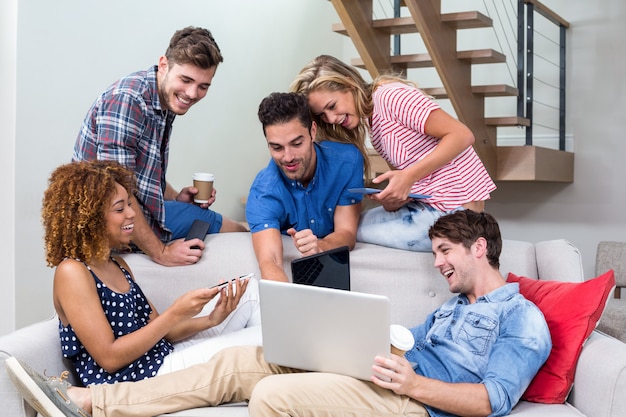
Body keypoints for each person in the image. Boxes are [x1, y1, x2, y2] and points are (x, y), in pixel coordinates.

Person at [7, 210, 552, 417]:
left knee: (270, 397)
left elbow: (490, 401)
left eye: (445, 254)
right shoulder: (454, 308)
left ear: (480, 248)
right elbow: (411, 340)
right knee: (246, 361)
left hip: (417, 402)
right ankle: (87, 402)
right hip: (391, 370)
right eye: (434, 253)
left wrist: (411, 384)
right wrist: (352, 338)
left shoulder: (522, 318)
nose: (437, 265)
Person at [37, 160, 260, 388]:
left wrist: (211, 320)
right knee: (259, 342)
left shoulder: (119, 265)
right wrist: (174, 313)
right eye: (120, 208)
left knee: (252, 292)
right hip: (138, 380)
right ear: (91, 218)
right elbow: (109, 358)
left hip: (163, 358)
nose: (132, 214)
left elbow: (162, 332)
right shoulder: (73, 272)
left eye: (130, 205)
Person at [73, 26, 247, 268]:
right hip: (106, 226)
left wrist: (176, 197)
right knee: (231, 229)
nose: (192, 93)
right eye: (186, 80)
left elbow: (142, 174)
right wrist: (161, 253)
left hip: (135, 211)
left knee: (236, 229)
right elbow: (116, 192)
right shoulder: (128, 101)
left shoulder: (163, 100)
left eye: (203, 86)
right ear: (163, 64)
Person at [290, 54, 497, 252]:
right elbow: (409, 183)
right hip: (427, 207)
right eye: (323, 115)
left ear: (349, 84)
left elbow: (462, 135)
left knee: (343, 232)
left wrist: (409, 176)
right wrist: (393, 200)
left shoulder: (391, 97)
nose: (331, 118)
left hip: (455, 214)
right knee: (345, 225)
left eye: (332, 106)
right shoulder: (374, 120)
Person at [245, 92, 364, 281]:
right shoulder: (263, 192)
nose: (288, 157)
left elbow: (347, 232)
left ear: (313, 132)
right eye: (276, 147)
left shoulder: (347, 161)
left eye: (296, 143)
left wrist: (320, 246)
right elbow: (270, 262)